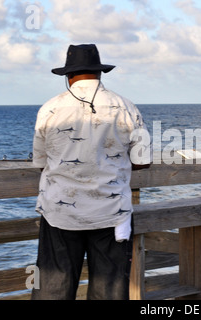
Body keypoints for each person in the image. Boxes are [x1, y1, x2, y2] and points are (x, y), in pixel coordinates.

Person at [31, 44, 151, 300]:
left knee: (53, 288)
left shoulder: (49, 109)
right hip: (111, 212)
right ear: (99, 73)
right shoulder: (126, 107)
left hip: (60, 214)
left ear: (69, 76)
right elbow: (142, 161)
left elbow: (41, 161)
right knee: (109, 290)